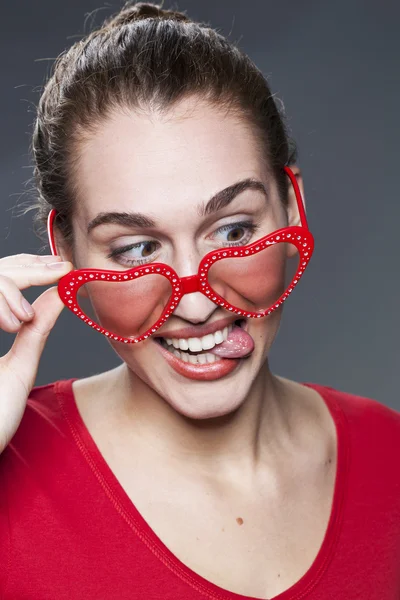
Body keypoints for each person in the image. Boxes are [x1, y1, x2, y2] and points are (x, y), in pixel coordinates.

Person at [0, 2, 399, 598]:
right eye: (136, 248)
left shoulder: (390, 455)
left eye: (233, 230)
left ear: (291, 208)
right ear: (67, 251)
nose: (194, 301)